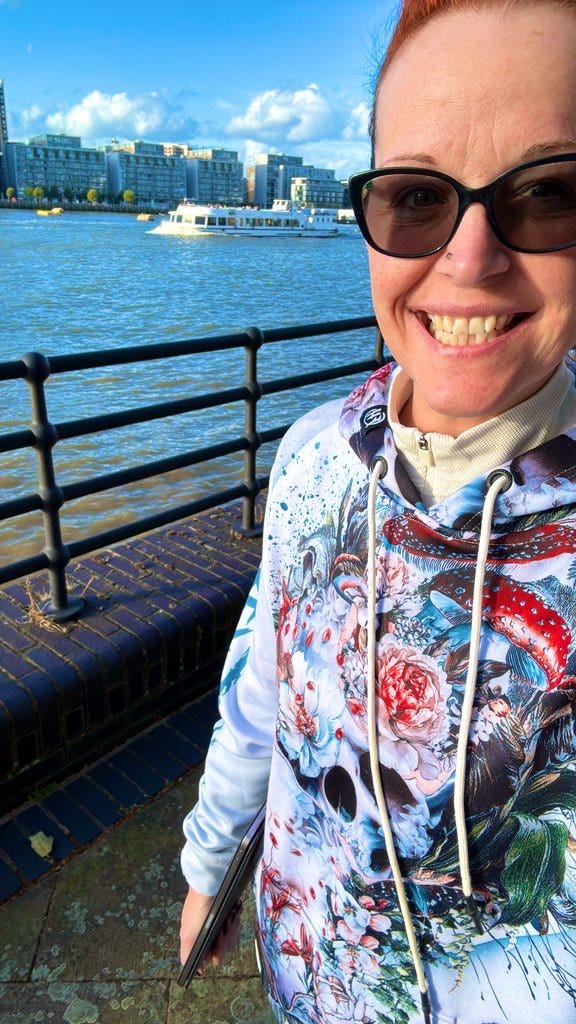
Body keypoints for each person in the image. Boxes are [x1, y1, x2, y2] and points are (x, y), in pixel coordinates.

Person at [180, 0, 576, 1020]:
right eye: (415, 198)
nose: (472, 256)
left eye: (547, 193)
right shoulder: (315, 459)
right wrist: (206, 863)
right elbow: (259, 693)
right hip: (299, 979)